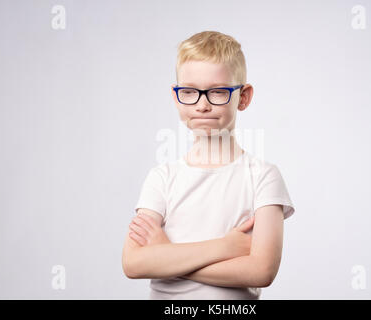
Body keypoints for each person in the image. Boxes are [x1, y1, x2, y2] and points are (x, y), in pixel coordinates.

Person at [122, 31, 295, 300]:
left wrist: (167, 256)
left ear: (244, 96)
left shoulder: (263, 177)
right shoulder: (162, 178)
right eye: (189, 91)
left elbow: (261, 271)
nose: (202, 105)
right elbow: (134, 264)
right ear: (176, 96)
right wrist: (224, 247)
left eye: (217, 92)